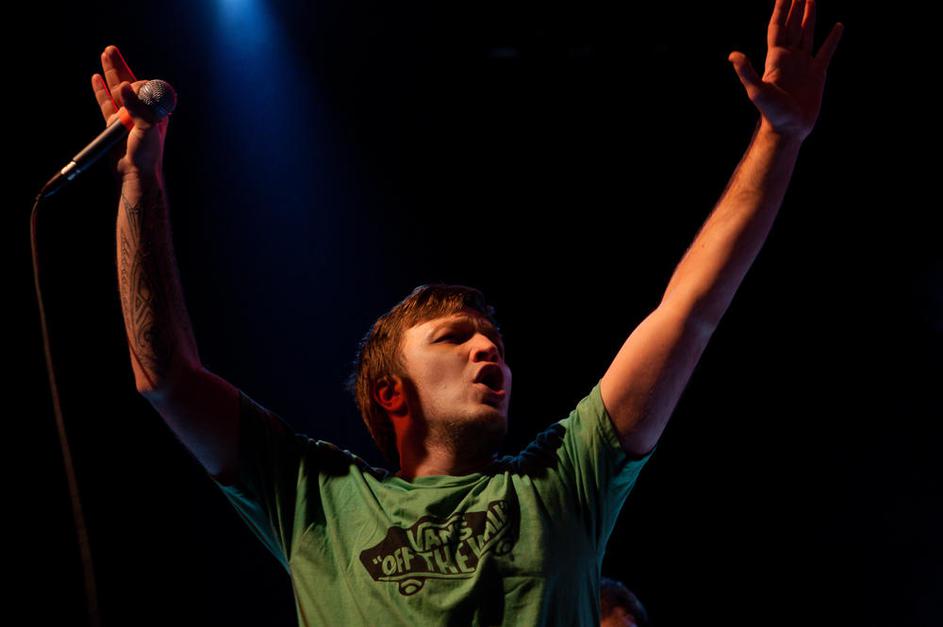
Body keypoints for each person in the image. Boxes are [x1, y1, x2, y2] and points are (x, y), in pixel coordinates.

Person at [95, 1, 842, 624]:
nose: (490, 351)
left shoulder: (564, 479)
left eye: (494, 342)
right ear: (391, 392)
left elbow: (689, 311)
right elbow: (166, 378)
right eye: (455, 338)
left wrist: (778, 140)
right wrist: (140, 180)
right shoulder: (315, 498)